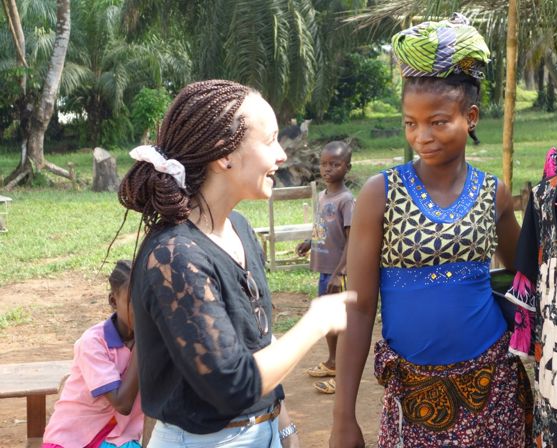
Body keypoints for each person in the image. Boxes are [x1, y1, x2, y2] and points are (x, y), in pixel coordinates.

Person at [330, 14, 533, 448]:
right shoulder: (379, 194)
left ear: (471, 117)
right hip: (413, 396)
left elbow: (525, 276)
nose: (422, 136)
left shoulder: (491, 192)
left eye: (438, 121)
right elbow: (361, 309)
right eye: (410, 123)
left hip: (492, 390)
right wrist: (343, 416)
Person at [117, 79, 354, 447]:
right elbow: (233, 384)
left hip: (264, 430)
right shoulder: (176, 256)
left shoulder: (240, 229)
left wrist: (282, 423)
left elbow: (256, 341)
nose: (281, 156)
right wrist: (317, 321)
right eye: (269, 140)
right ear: (223, 155)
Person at [42, 260, 143, 448]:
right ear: (113, 301)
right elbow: (122, 404)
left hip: (121, 439)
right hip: (72, 439)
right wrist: (143, 343)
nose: (143, 308)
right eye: (133, 300)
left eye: (148, 299)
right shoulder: (94, 342)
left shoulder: (157, 340)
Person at [296, 141, 355, 394]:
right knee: (329, 322)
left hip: (337, 273)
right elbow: (324, 227)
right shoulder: (322, 196)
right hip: (324, 271)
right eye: (324, 164)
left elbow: (352, 240)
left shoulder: (346, 200)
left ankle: (341, 377)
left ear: (347, 167)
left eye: (335, 164)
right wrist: (310, 242)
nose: (328, 168)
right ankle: (332, 362)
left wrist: (339, 272)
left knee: (339, 324)